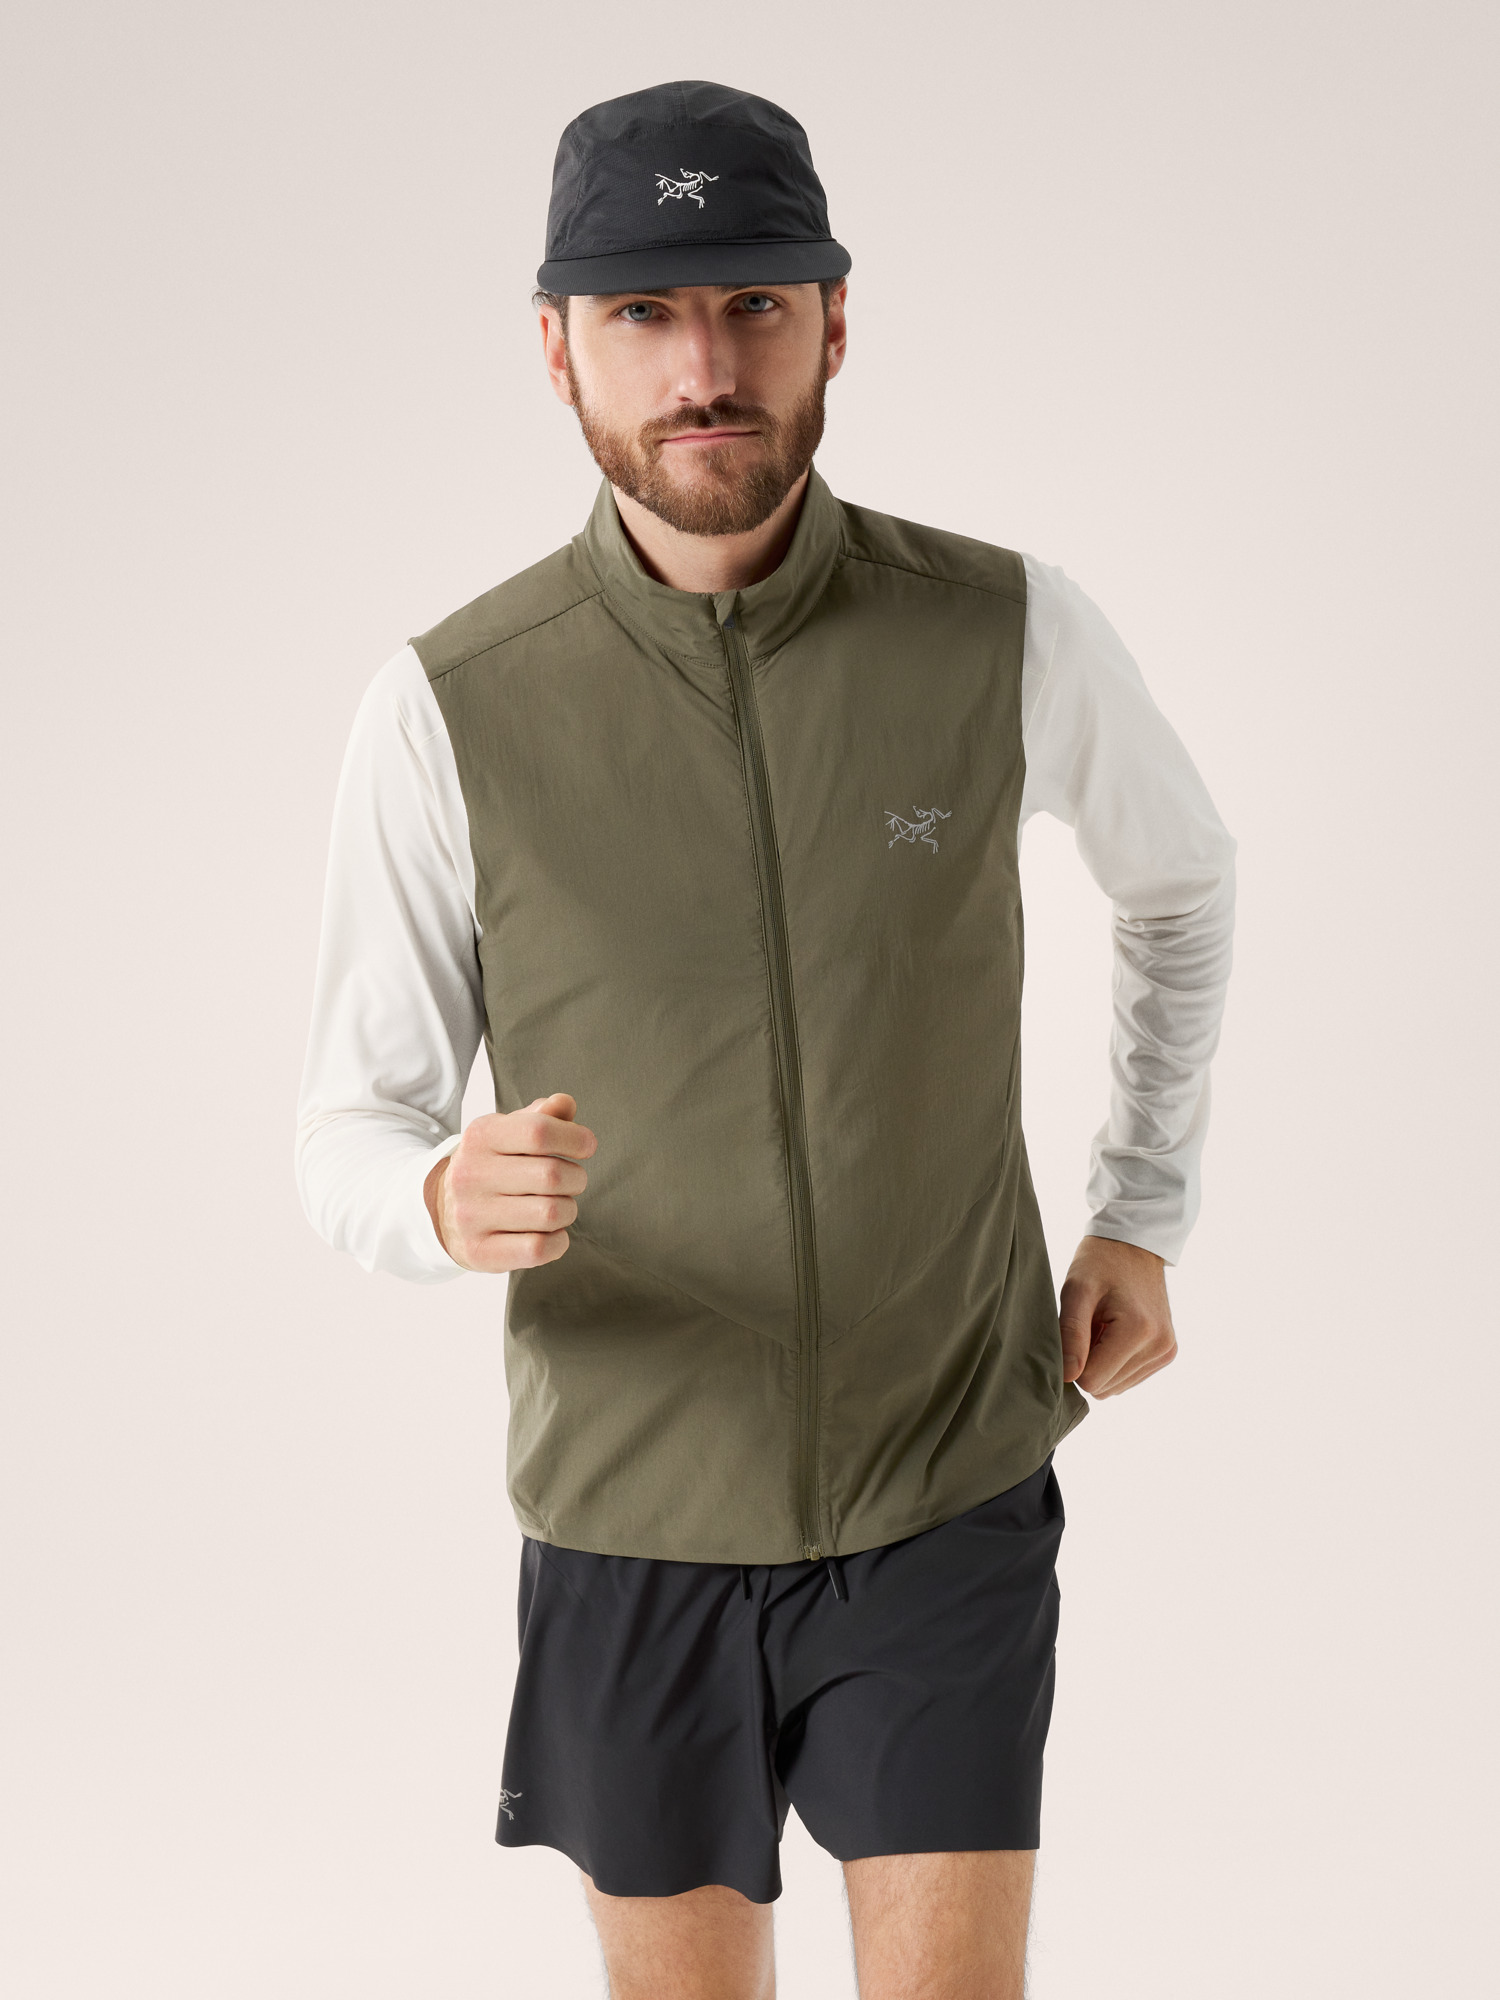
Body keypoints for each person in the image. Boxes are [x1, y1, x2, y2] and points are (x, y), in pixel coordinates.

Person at [295, 78, 1235, 2000]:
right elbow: (349, 1131)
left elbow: (1183, 885)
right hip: (629, 1513)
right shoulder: (449, 707)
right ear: (556, 346)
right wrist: (438, 1201)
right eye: (644, 312)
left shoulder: (1002, 629)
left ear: (834, 319)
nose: (705, 367)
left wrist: (1139, 1209)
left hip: (944, 1480)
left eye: (754, 304)